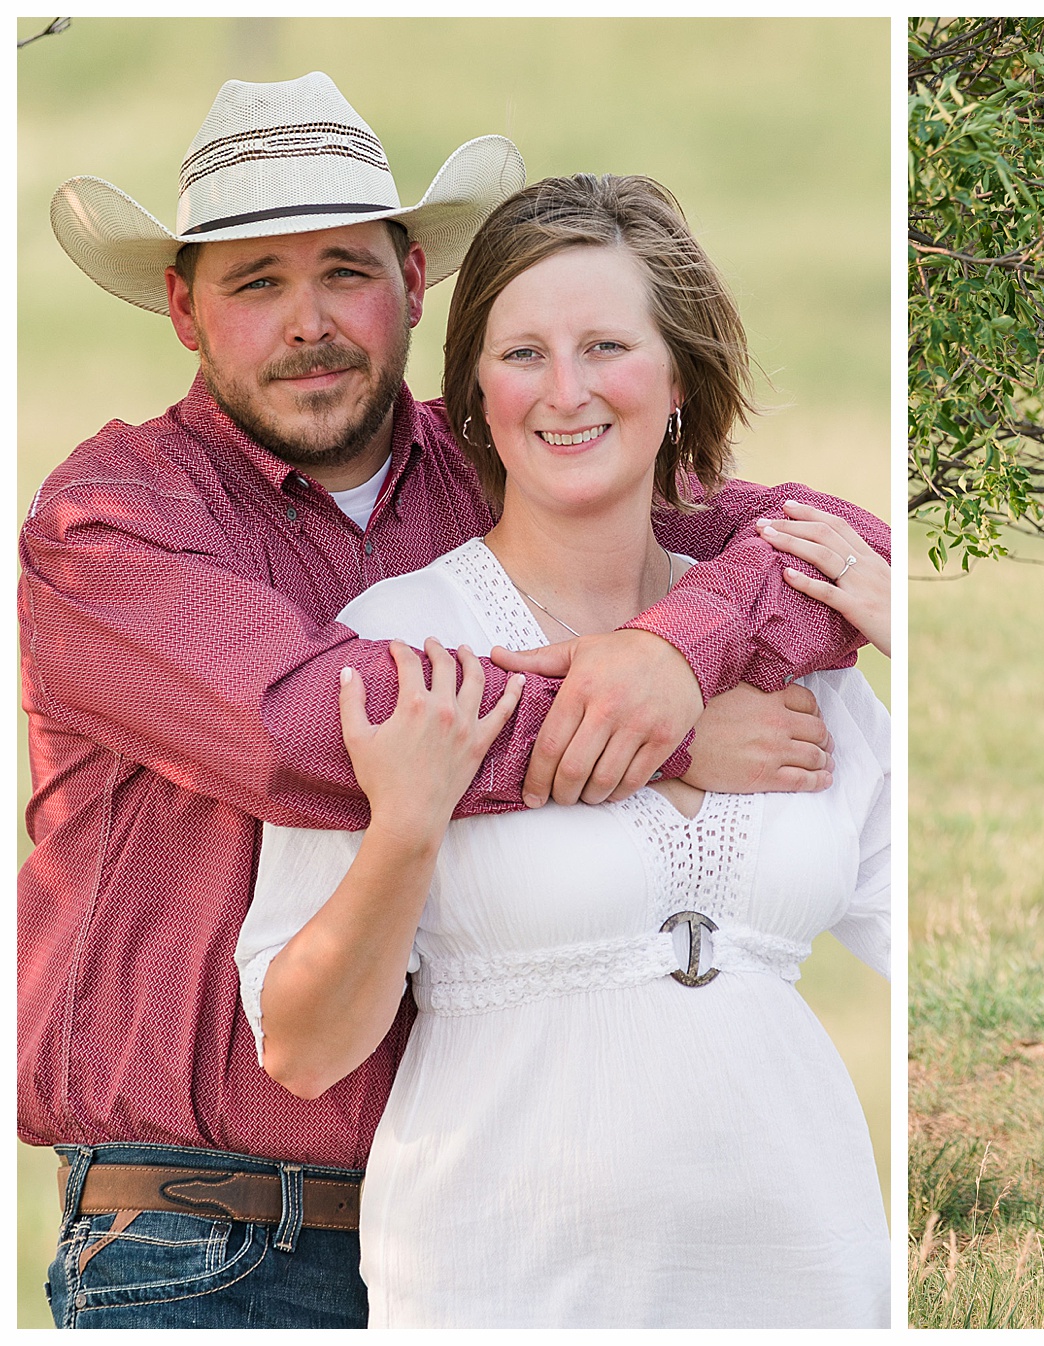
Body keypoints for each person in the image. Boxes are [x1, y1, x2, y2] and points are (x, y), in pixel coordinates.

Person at [22, 73, 890, 1330]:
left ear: (415, 283)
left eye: (345, 272)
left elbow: (819, 539)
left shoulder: (492, 454)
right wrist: (668, 732)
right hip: (200, 1231)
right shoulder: (113, 522)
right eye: (255, 282)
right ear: (182, 304)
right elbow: (305, 725)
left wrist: (676, 645)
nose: (309, 321)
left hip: (464, 1201)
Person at [233, 172, 889, 1328]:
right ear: (475, 393)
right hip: (501, 1278)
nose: (568, 390)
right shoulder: (398, 645)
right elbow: (301, 1044)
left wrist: (916, 635)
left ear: (678, 377)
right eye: (524, 352)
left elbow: (934, 928)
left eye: (606, 345)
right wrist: (409, 823)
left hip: (806, 1266)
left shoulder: (797, 631)